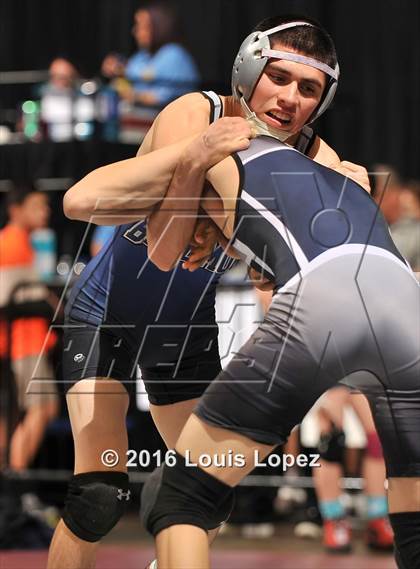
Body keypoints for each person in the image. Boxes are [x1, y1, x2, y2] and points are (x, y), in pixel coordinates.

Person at [47, 16, 371, 569]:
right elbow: (151, 242)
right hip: (109, 312)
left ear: (322, 101)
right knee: (99, 493)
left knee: (203, 499)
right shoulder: (198, 114)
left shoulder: (317, 161)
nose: (290, 98)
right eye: (279, 77)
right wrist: (199, 156)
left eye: (308, 89)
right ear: (248, 70)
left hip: (181, 327)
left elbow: (310, 261)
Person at [0, 184, 59, 471]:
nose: (45, 212)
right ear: (16, 209)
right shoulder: (11, 243)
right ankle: (16, 484)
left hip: (24, 342)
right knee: (42, 409)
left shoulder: (21, 242)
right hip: (23, 343)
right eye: (37, 206)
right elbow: (9, 298)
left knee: (13, 417)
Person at [314, 387, 393, 552]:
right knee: (331, 440)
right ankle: (333, 518)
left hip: (364, 369)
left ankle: (377, 517)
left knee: (377, 440)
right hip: (328, 371)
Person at [120, 1, 200, 108]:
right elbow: (130, 72)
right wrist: (118, 68)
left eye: (142, 26)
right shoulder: (143, 55)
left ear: (158, 27)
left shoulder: (174, 54)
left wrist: (133, 95)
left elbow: (163, 98)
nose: (135, 31)